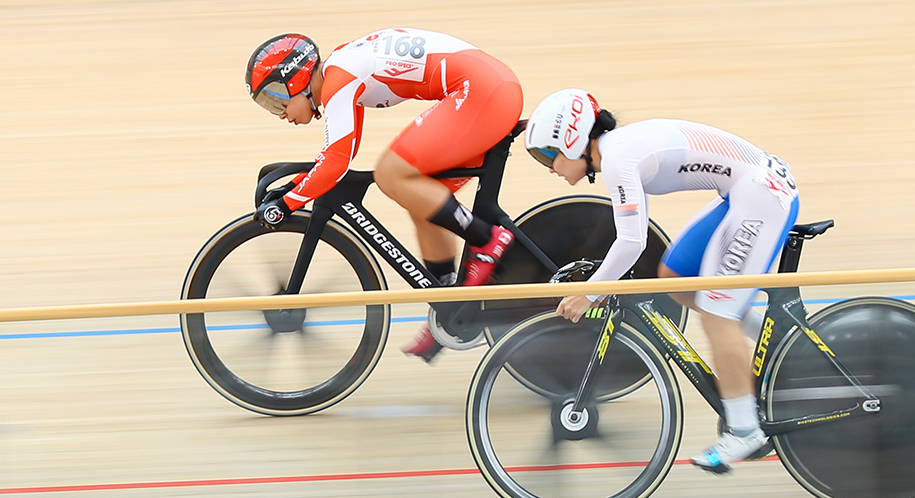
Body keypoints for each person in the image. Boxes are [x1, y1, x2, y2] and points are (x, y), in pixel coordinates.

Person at [524, 88, 799, 473]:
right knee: (675, 277)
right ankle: (784, 343)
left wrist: (589, 294)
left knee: (716, 314)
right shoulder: (618, 151)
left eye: (546, 157)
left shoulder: (618, 157)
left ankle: (744, 430)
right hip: (747, 189)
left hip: (762, 195)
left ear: (571, 143)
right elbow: (631, 238)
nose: (549, 168)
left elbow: (633, 241)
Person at [246, 29, 524, 360]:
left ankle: (486, 238)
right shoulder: (340, 71)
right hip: (486, 87)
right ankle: (449, 301)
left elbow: (335, 162)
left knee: (391, 173)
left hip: (481, 91)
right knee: (418, 195)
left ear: (296, 79)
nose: (279, 111)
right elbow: (338, 155)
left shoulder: (338, 78)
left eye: (276, 97)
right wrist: (294, 190)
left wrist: (287, 203)